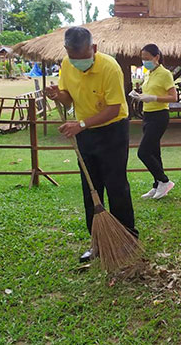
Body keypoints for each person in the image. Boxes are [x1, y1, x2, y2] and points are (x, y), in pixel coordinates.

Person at [45, 26, 137, 263]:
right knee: (90, 187)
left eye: (83, 58)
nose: (78, 63)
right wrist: (57, 95)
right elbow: (68, 99)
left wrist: (81, 124)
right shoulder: (68, 64)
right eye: (73, 58)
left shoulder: (110, 68)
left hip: (112, 130)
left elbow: (114, 109)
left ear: (93, 49)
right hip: (85, 132)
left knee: (116, 185)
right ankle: (97, 241)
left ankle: (127, 238)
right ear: (66, 51)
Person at [130, 44, 178, 200]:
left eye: (147, 58)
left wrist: (155, 98)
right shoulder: (149, 73)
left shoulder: (165, 74)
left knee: (143, 152)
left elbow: (173, 97)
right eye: (142, 59)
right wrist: (140, 95)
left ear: (156, 57)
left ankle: (164, 181)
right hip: (148, 114)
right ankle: (157, 185)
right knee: (154, 152)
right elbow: (149, 91)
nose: (144, 62)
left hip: (159, 115)